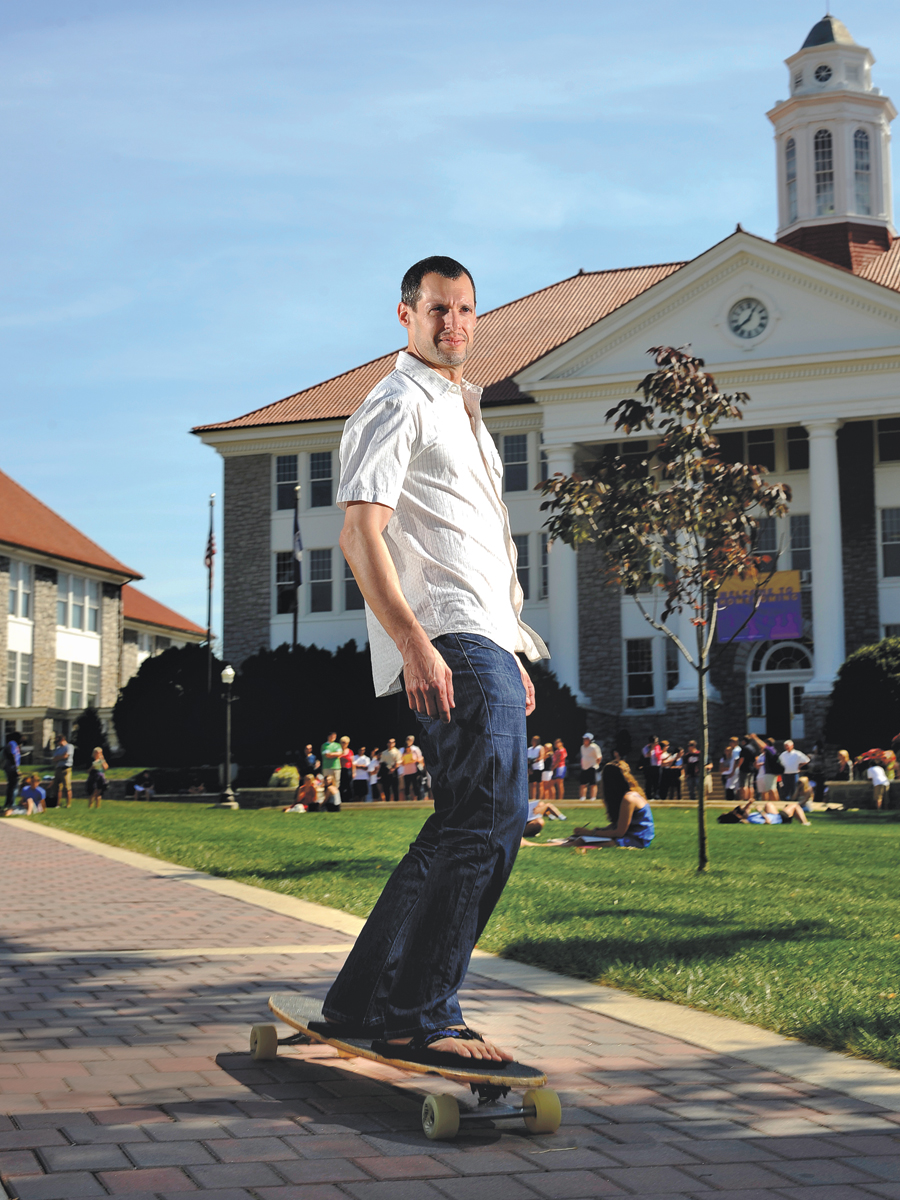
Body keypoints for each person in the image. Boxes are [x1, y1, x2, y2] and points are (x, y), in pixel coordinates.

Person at [319, 255, 546, 1065]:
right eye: (437, 308)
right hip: (446, 639)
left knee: (460, 824)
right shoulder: (396, 402)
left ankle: (361, 1001)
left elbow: (473, 547)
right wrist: (416, 641)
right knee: (489, 821)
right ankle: (421, 1015)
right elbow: (359, 532)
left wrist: (512, 644)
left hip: (483, 639)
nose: (454, 323)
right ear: (406, 315)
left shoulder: (464, 411)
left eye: (465, 310)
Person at [525, 762, 654, 849]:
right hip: (630, 836)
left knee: (582, 841)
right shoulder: (629, 795)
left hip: (636, 840)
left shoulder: (629, 799)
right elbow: (619, 826)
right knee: (579, 837)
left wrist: (591, 832)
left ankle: (532, 845)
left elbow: (620, 832)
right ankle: (559, 842)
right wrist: (599, 831)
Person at [718, 797, 810, 825]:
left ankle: (798, 818)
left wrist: (749, 804)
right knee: (795, 805)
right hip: (780, 818)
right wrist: (761, 811)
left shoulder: (748, 817)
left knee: (769, 804)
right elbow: (768, 822)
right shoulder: (752, 820)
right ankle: (804, 822)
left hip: (775, 816)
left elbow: (745, 812)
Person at [52, 734, 74, 808]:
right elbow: (54, 759)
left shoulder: (69, 746)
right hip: (58, 768)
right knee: (57, 787)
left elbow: (66, 756)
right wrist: (61, 757)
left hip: (66, 768)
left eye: (58, 741)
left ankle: (68, 804)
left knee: (67, 787)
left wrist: (59, 757)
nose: (58, 743)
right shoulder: (58, 748)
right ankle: (57, 804)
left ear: (62, 740)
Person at [399, 735, 424, 800]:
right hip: (406, 771)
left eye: (410, 740)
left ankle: (418, 798)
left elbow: (420, 759)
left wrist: (414, 760)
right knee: (406, 786)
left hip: (414, 770)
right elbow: (399, 760)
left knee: (416, 785)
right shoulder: (401, 750)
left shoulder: (415, 749)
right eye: (407, 739)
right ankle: (407, 799)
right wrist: (403, 760)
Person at [578, 733, 602, 800]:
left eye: (586, 739)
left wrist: (596, 765)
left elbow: (599, 757)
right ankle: (582, 797)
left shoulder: (594, 747)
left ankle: (593, 797)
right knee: (583, 783)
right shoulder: (582, 747)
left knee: (593, 783)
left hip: (592, 767)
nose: (585, 740)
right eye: (584, 739)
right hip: (584, 767)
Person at [2, 733, 21, 811]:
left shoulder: (12, 744)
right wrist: (16, 769)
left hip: (10, 768)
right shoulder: (12, 743)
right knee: (14, 786)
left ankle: (8, 803)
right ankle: (12, 804)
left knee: (11, 786)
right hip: (11, 768)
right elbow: (12, 754)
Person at [338, 737, 354, 805]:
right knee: (341, 785)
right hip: (340, 770)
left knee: (349, 785)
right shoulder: (338, 751)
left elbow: (353, 762)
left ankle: (349, 800)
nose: (344, 744)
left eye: (345, 743)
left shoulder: (350, 751)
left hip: (348, 770)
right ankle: (341, 799)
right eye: (342, 742)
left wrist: (354, 772)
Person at [527, 735, 543, 800]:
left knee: (539, 783)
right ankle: (532, 798)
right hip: (530, 768)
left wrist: (534, 761)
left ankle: (540, 798)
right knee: (531, 783)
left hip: (538, 767)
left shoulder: (540, 748)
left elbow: (541, 756)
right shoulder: (529, 749)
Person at [552, 738, 567, 802]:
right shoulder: (556, 751)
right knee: (554, 783)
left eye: (557, 743)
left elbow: (560, 759)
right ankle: (555, 798)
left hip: (560, 767)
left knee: (560, 783)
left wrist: (554, 766)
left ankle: (560, 798)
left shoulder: (562, 750)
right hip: (555, 767)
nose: (556, 744)